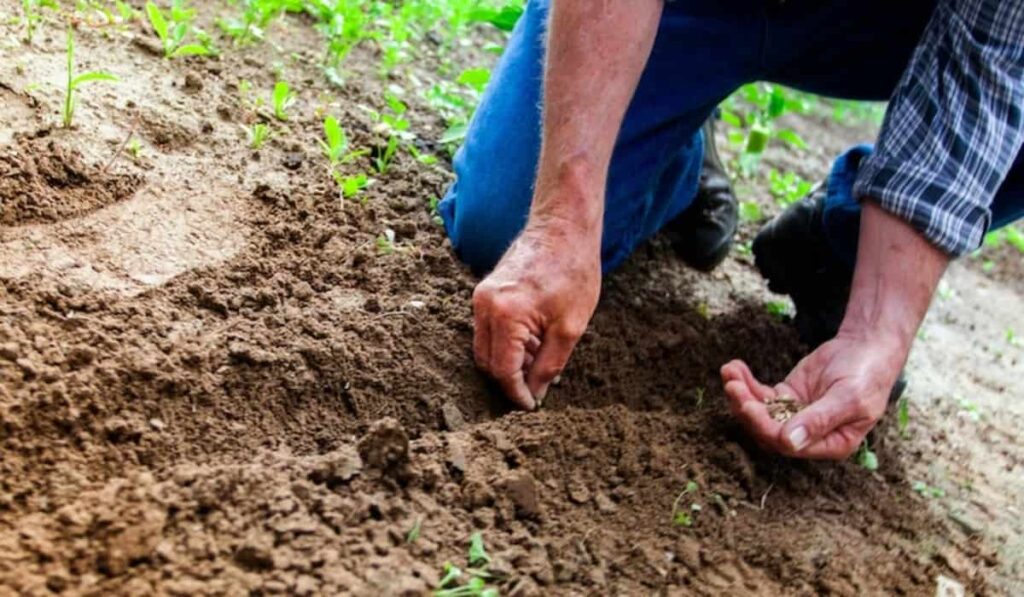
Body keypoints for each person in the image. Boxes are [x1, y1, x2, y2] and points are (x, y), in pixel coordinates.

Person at [437, 0, 1024, 460]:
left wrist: (878, 330)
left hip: (885, 23)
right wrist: (561, 221)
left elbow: (990, 58)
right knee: (505, 224)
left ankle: (841, 241)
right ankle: (673, 153)